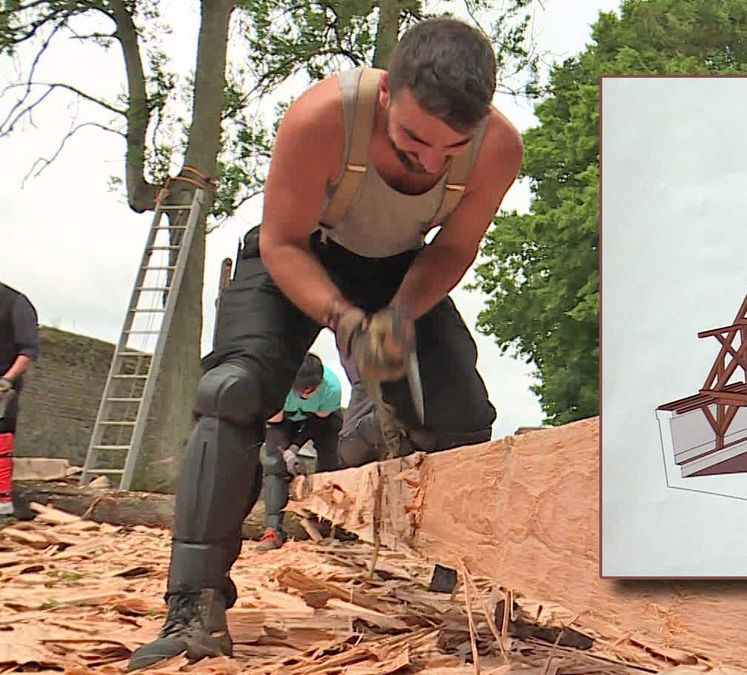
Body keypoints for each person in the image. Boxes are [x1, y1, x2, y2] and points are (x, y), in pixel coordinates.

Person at [127, 15, 523, 671]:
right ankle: (193, 607)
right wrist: (343, 318)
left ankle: (472, 588)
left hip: (400, 269)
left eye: (450, 148)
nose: (427, 161)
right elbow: (281, 241)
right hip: (298, 253)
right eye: (413, 140)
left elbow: (452, 247)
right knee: (231, 391)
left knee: (463, 416)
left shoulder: (498, 149)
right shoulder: (321, 118)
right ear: (388, 94)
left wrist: (397, 314)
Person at [255, 353, 343, 551]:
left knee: (332, 462)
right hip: (283, 421)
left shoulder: (332, 388)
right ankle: (273, 530)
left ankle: (330, 525)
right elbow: (274, 427)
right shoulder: (276, 387)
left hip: (319, 421)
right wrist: (285, 452)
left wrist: (295, 447)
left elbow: (318, 424)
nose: (307, 394)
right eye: (302, 390)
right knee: (274, 463)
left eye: (313, 389)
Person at [0, 282, 38, 522]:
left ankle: (2, 507)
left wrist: (6, 380)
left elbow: (28, 351)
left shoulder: (16, 303)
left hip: (2, 388)